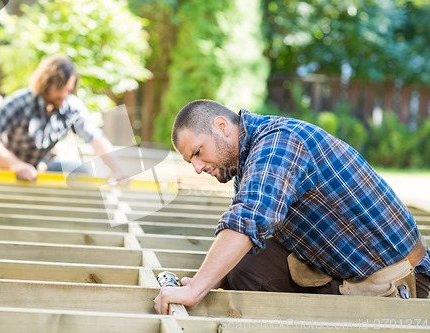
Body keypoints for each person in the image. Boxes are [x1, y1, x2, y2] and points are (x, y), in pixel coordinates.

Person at [154, 99, 430, 314]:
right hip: (346, 270)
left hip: (399, 284)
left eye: (198, 153)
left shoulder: (279, 143)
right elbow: (249, 234)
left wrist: (195, 292)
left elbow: (248, 218)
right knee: (245, 266)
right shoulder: (249, 161)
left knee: (243, 258)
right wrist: (205, 283)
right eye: (191, 162)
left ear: (222, 127)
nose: (198, 168)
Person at [0, 55, 125, 181]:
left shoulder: (71, 107)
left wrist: (117, 170)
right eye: (59, 89)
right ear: (45, 84)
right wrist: (16, 165)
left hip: (37, 171)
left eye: (68, 90)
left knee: (82, 172)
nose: (64, 95)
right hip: (4, 168)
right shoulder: (21, 102)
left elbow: (96, 139)